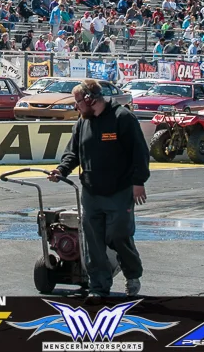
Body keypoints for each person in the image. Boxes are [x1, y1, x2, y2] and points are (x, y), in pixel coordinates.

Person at [48, 79, 149, 297]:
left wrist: (138, 182)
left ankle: (132, 274)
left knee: (119, 236)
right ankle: (98, 287)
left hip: (120, 191)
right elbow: (73, 152)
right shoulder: (82, 122)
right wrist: (61, 170)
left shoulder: (122, 118)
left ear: (90, 99)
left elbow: (140, 152)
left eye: (77, 102)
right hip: (91, 192)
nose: (75, 106)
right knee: (92, 242)